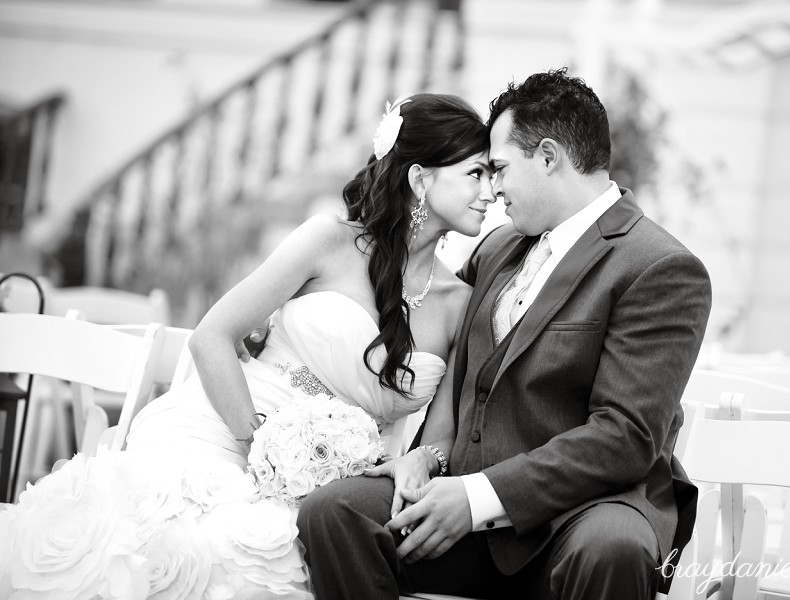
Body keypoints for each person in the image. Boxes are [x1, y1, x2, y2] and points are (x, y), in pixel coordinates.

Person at [0, 93, 494, 599]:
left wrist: (423, 461)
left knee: (267, 555)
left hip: (331, 485)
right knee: (176, 545)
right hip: (226, 430)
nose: (490, 191)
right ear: (420, 178)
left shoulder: (460, 302)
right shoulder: (329, 240)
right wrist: (262, 451)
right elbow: (212, 336)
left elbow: (441, 436)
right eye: (475, 173)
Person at [297, 68, 713, 600]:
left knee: (613, 548)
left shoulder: (659, 266)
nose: (492, 189)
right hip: (467, 510)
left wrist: (477, 497)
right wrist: (427, 457)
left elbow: (626, 437)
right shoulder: (496, 249)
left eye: (498, 169)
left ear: (547, 157)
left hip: (582, 514)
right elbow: (435, 339)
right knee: (335, 512)